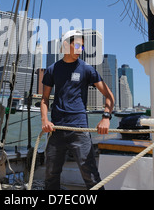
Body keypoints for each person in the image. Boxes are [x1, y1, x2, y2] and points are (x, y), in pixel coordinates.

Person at [40, 29, 115, 190]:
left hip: (79, 129)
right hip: (57, 129)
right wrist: (45, 120)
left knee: (91, 176)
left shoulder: (87, 69)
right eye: (78, 46)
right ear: (66, 45)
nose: (81, 50)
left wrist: (106, 117)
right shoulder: (52, 69)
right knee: (51, 175)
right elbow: (44, 99)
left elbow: (110, 96)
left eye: (82, 46)